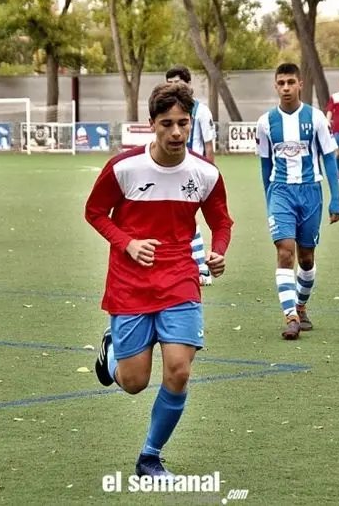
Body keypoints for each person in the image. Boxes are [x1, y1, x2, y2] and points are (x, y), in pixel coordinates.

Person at [86, 82, 233, 477]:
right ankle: (112, 352)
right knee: (134, 382)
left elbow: (221, 221)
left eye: (183, 123)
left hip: (180, 279)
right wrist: (128, 243)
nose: (176, 132)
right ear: (151, 124)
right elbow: (94, 212)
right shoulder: (124, 168)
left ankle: (150, 456)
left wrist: (219, 251)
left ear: (191, 123)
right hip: (130, 282)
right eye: (167, 124)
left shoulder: (205, 172)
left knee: (179, 370)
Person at [256, 63, 339, 340]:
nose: (286, 88)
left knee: (306, 258)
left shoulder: (316, 118)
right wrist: (269, 198)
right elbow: (265, 164)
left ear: (300, 84)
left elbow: (329, 158)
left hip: (310, 192)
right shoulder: (266, 122)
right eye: (281, 83)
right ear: (275, 86)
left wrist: (336, 199)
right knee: (285, 252)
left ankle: (301, 306)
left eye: (290, 82)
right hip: (280, 191)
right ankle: (291, 316)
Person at [165, 65, 217, 286]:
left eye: (177, 83)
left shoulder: (201, 112)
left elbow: (209, 146)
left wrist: (210, 176)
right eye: (169, 84)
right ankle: (188, 265)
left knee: (187, 217)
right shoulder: (166, 109)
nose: (173, 87)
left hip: (193, 171)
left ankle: (202, 268)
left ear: (188, 84)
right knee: (176, 218)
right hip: (171, 170)